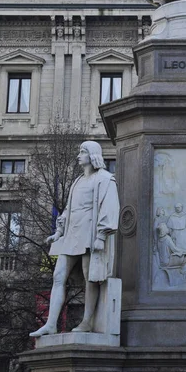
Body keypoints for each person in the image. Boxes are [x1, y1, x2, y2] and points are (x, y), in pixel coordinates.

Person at [30, 141, 120, 337]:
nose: (79, 155)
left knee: (90, 278)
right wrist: (59, 231)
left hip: (90, 234)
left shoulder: (105, 179)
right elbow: (69, 209)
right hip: (72, 234)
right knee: (58, 276)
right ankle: (51, 323)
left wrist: (101, 236)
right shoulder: (77, 181)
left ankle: (87, 321)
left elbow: (110, 207)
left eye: (82, 152)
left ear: (92, 155)